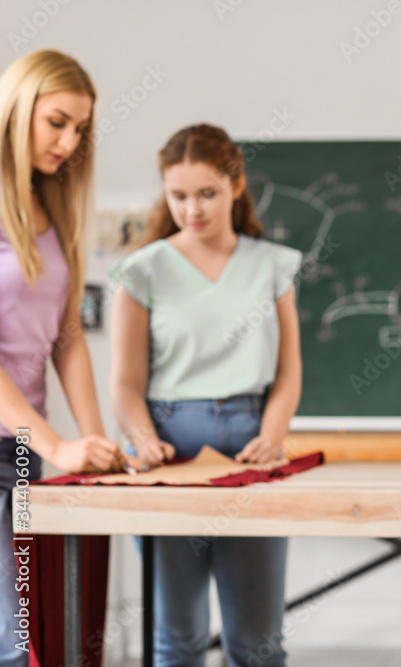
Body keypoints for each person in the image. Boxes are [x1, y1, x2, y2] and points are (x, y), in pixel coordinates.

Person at [110, 124, 302, 666]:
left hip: (250, 444)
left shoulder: (273, 265)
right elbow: (125, 383)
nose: (192, 208)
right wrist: (142, 439)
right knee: (177, 639)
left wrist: (272, 434)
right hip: (166, 450)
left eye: (207, 193)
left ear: (236, 186)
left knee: (258, 645)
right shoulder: (142, 270)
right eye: (178, 195)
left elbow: (289, 372)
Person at [0, 49, 129, 665]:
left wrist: (94, 442)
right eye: (57, 122)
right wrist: (57, 446)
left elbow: (67, 335)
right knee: (12, 637)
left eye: (80, 129)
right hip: (26, 442)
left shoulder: (52, 210)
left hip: (22, 447)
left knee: (33, 634)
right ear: (16, 109)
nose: (69, 141)